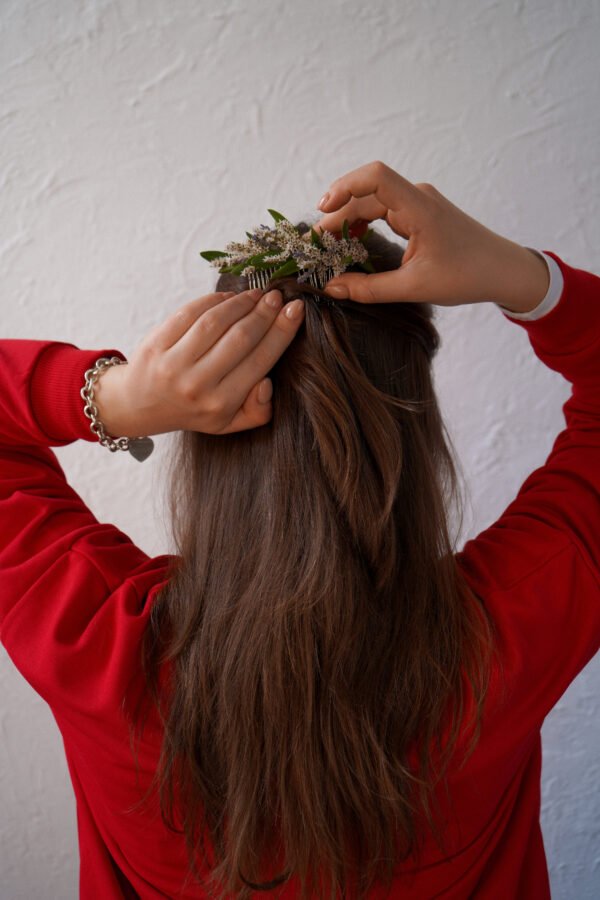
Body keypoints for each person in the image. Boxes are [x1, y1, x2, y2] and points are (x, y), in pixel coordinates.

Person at [0, 160, 597, 899]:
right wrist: (523, 278)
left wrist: (117, 398)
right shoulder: (507, 635)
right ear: (415, 420)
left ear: (206, 422)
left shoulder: (95, 643)